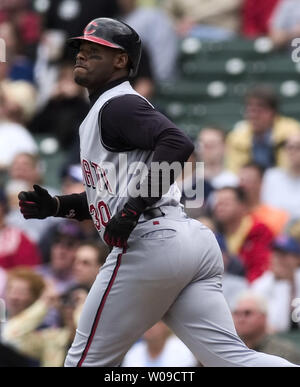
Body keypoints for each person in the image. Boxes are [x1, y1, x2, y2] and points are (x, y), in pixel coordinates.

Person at [18, 18, 297, 367]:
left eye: (94, 50)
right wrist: (57, 205)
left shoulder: (116, 104)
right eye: (80, 49)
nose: (82, 55)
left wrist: (132, 210)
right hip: (187, 241)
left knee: (83, 362)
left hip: (151, 243)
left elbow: (178, 143)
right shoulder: (109, 109)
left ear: (121, 61)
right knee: (233, 361)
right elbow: (110, 198)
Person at [226, 85, 300, 173]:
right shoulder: (236, 137)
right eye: (250, 111)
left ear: (273, 112)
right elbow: (234, 172)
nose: (253, 116)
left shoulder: (293, 133)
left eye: (259, 111)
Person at [212, 186, 273, 282]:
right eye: (218, 203)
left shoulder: (259, 231)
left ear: (243, 206)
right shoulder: (213, 233)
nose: (220, 207)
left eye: (226, 203)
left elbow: (260, 269)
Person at [232, 291, 300, 364]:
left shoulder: (285, 353)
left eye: (247, 313)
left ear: (263, 317)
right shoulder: (229, 351)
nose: (241, 319)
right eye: (236, 313)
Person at [251, 235, 300, 332]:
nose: (278, 259)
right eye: (275, 254)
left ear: (297, 259)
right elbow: (276, 326)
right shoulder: (259, 286)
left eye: (284, 255)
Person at [239, 162, 289, 236]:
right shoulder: (232, 214)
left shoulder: (277, 217)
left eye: (249, 181)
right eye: (241, 180)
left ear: (261, 183)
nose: (243, 185)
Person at [122, 321, 198, 367]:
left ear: (165, 325)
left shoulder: (183, 350)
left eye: (154, 323)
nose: (149, 327)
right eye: (145, 323)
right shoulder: (132, 353)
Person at [261, 132, 300, 219]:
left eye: (298, 147)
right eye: (289, 147)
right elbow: (266, 209)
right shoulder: (271, 176)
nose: (292, 151)